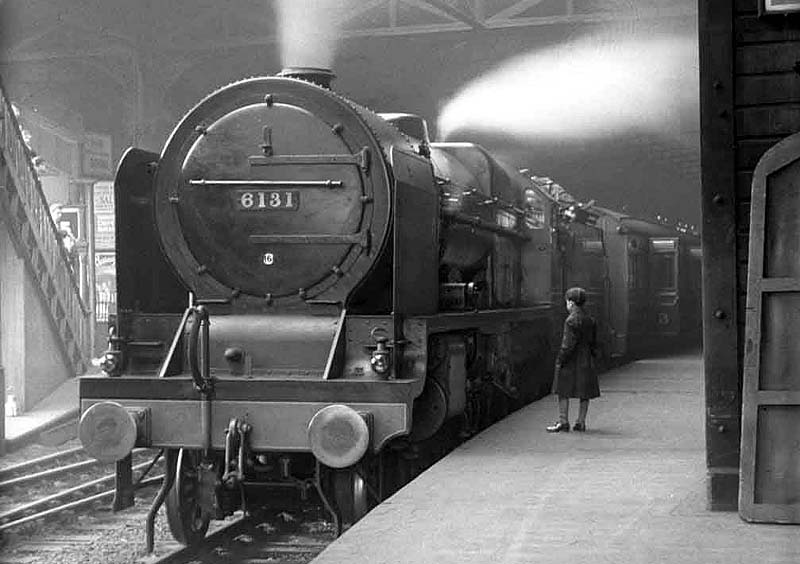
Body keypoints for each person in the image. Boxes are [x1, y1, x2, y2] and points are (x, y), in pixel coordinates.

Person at [547, 287, 600, 433]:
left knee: (563, 390)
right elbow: (594, 342)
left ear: (571, 303)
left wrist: (560, 359)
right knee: (585, 392)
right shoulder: (591, 320)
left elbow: (567, 344)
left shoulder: (570, 321)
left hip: (571, 360)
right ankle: (581, 422)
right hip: (586, 359)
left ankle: (563, 422)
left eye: (567, 302)